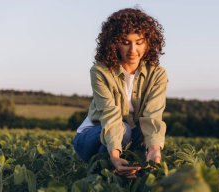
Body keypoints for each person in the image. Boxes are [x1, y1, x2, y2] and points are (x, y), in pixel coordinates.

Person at [72, 8, 168, 179]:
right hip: (92, 136)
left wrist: (154, 150)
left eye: (139, 42)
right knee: (124, 130)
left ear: (148, 42)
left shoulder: (158, 74)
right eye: (125, 42)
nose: (133, 50)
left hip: (128, 134)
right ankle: (104, 171)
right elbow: (110, 115)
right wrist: (115, 156)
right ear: (114, 43)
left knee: (145, 135)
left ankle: (126, 171)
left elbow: (153, 117)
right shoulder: (100, 71)